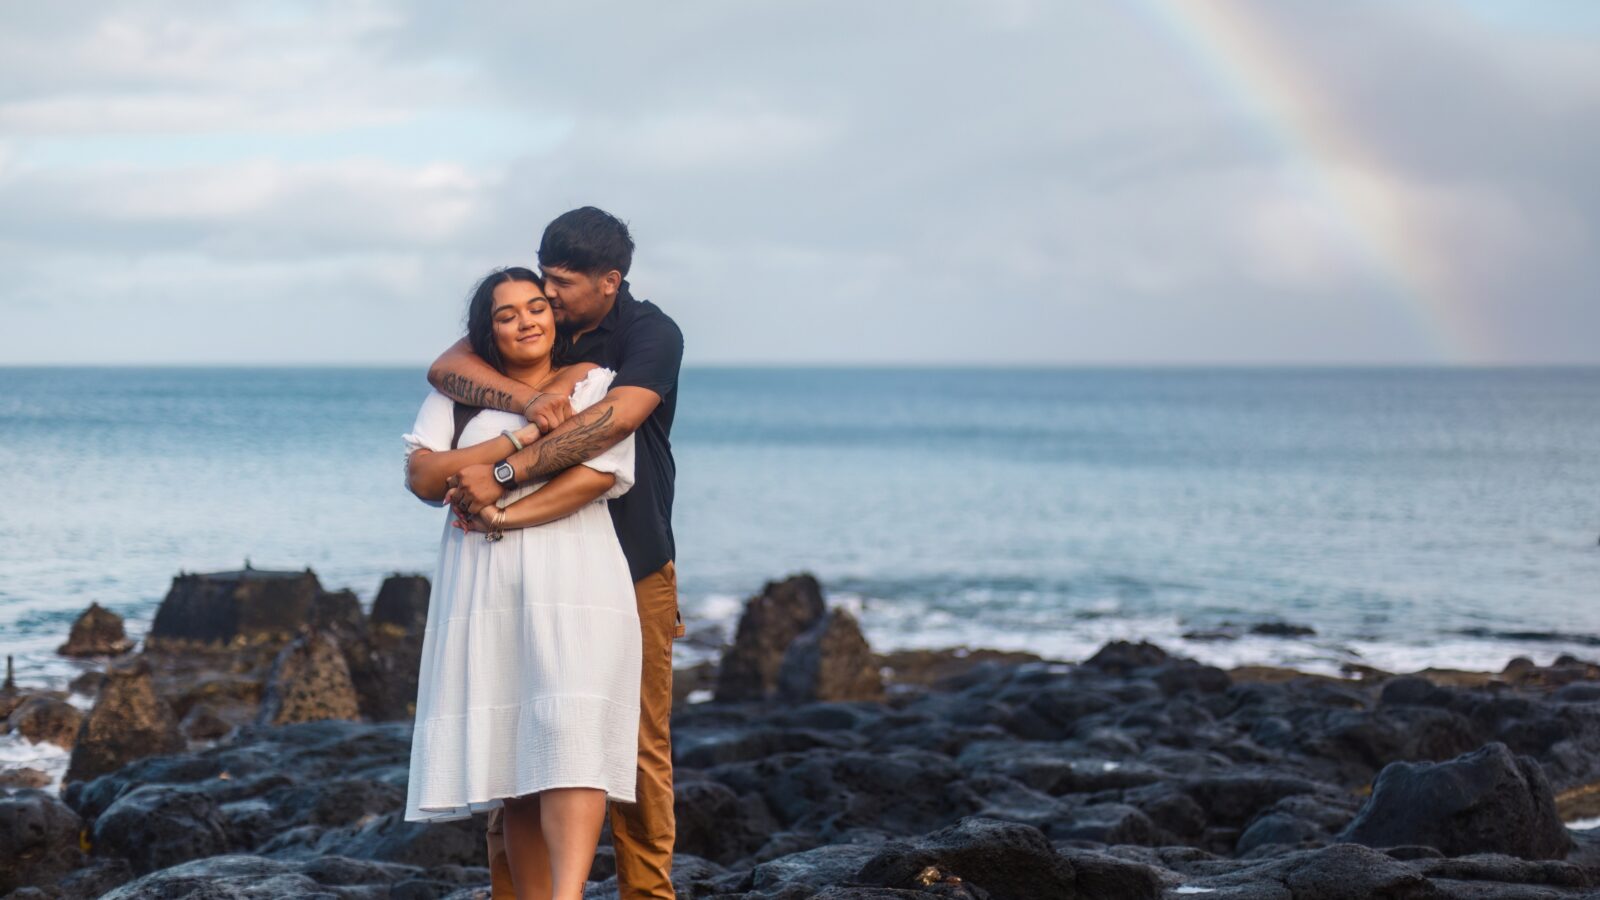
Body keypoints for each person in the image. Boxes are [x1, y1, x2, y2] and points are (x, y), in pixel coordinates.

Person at [429, 207, 685, 900]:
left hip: (631, 561)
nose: (549, 296)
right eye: (543, 278)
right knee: (516, 738)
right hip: (521, 567)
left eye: (563, 283)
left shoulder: (649, 334)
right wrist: (531, 397)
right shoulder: (536, 318)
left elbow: (615, 423)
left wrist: (504, 473)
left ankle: (646, 896)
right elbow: (449, 366)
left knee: (635, 745)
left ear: (610, 281)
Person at [401, 266, 641, 900]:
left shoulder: (595, 384)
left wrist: (501, 506)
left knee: (572, 737)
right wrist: (518, 434)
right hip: (485, 587)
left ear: (555, 316)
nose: (527, 320)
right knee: (516, 756)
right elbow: (424, 478)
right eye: (507, 315)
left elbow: (596, 475)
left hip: (575, 573)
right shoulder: (458, 395)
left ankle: (568, 896)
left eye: (537, 306)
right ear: (488, 331)